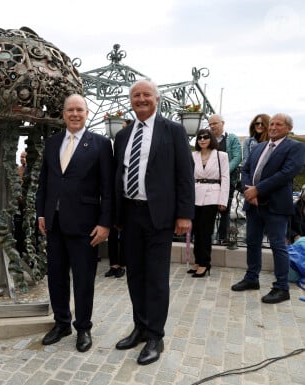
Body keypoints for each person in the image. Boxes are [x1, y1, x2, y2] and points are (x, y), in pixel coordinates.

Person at [113, 79, 194, 365]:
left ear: (156, 99)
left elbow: (185, 173)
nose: (141, 99)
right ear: (130, 100)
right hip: (130, 215)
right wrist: (116, 216)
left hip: (159, 216)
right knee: (134, 275)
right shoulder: (123, 136)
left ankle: (155, 336)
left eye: (146, 94)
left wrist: (185, 214)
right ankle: (140, 326)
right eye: (136, 95)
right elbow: (118, 177)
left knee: (156, 278)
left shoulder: (173, 131)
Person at [36, 94, 113, 353]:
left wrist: (105, 224)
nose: (75, 114)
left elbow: (108, 189)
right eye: (70, 110)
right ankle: (61, 323)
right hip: (54, 224)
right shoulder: (52, 143)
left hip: (85, 226)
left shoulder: (101, 144)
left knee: (83, 280)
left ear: (87, 113)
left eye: (79, 109)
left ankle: (83, 328)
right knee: (56, 277)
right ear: (64, 113)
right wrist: (41, 213)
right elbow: (44, 183)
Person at [233, 113, 305, 303]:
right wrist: (249, 190)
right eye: (271, 124)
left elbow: (286, 173)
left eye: (278, 124)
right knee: (252, 242)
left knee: (278, 245)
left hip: (275, 205)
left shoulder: (295, 147)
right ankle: (251, 278)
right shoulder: (260, 147)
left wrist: (258, 190)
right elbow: (246, 169)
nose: (273, 127)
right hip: (254, 204)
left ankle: (282, 287)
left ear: (288, 128)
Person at [189, 129, 229, 278]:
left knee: (205, 231)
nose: (202, 140)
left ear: (211, 139)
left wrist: (223, 200)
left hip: (213, 195)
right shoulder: (194, 155)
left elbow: (225, 178)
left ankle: (205, 263)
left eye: (206, 137)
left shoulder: (221, 156)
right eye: (200, 137)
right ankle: (198, 261)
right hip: (195, 195)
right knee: (196, 231)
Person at [105, 118, 132, 278]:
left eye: (124, 128)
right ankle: (113, 264)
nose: (120, 131)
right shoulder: (118, 145)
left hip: (127, 197)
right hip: (115, 195)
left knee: (126, 233)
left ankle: (122, 264)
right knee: (113, 232)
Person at [208, 114, 242, 244]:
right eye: (210, 124)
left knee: (225, 210)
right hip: (210, 182)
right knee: (209, 211)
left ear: (222, 123)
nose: (212, 126)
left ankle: (223, 239)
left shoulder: (231, 138)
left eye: (214, 123)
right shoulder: (208, 139)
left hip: (227, 181)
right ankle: (208, 238)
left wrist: (224, 173)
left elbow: (237, 157)